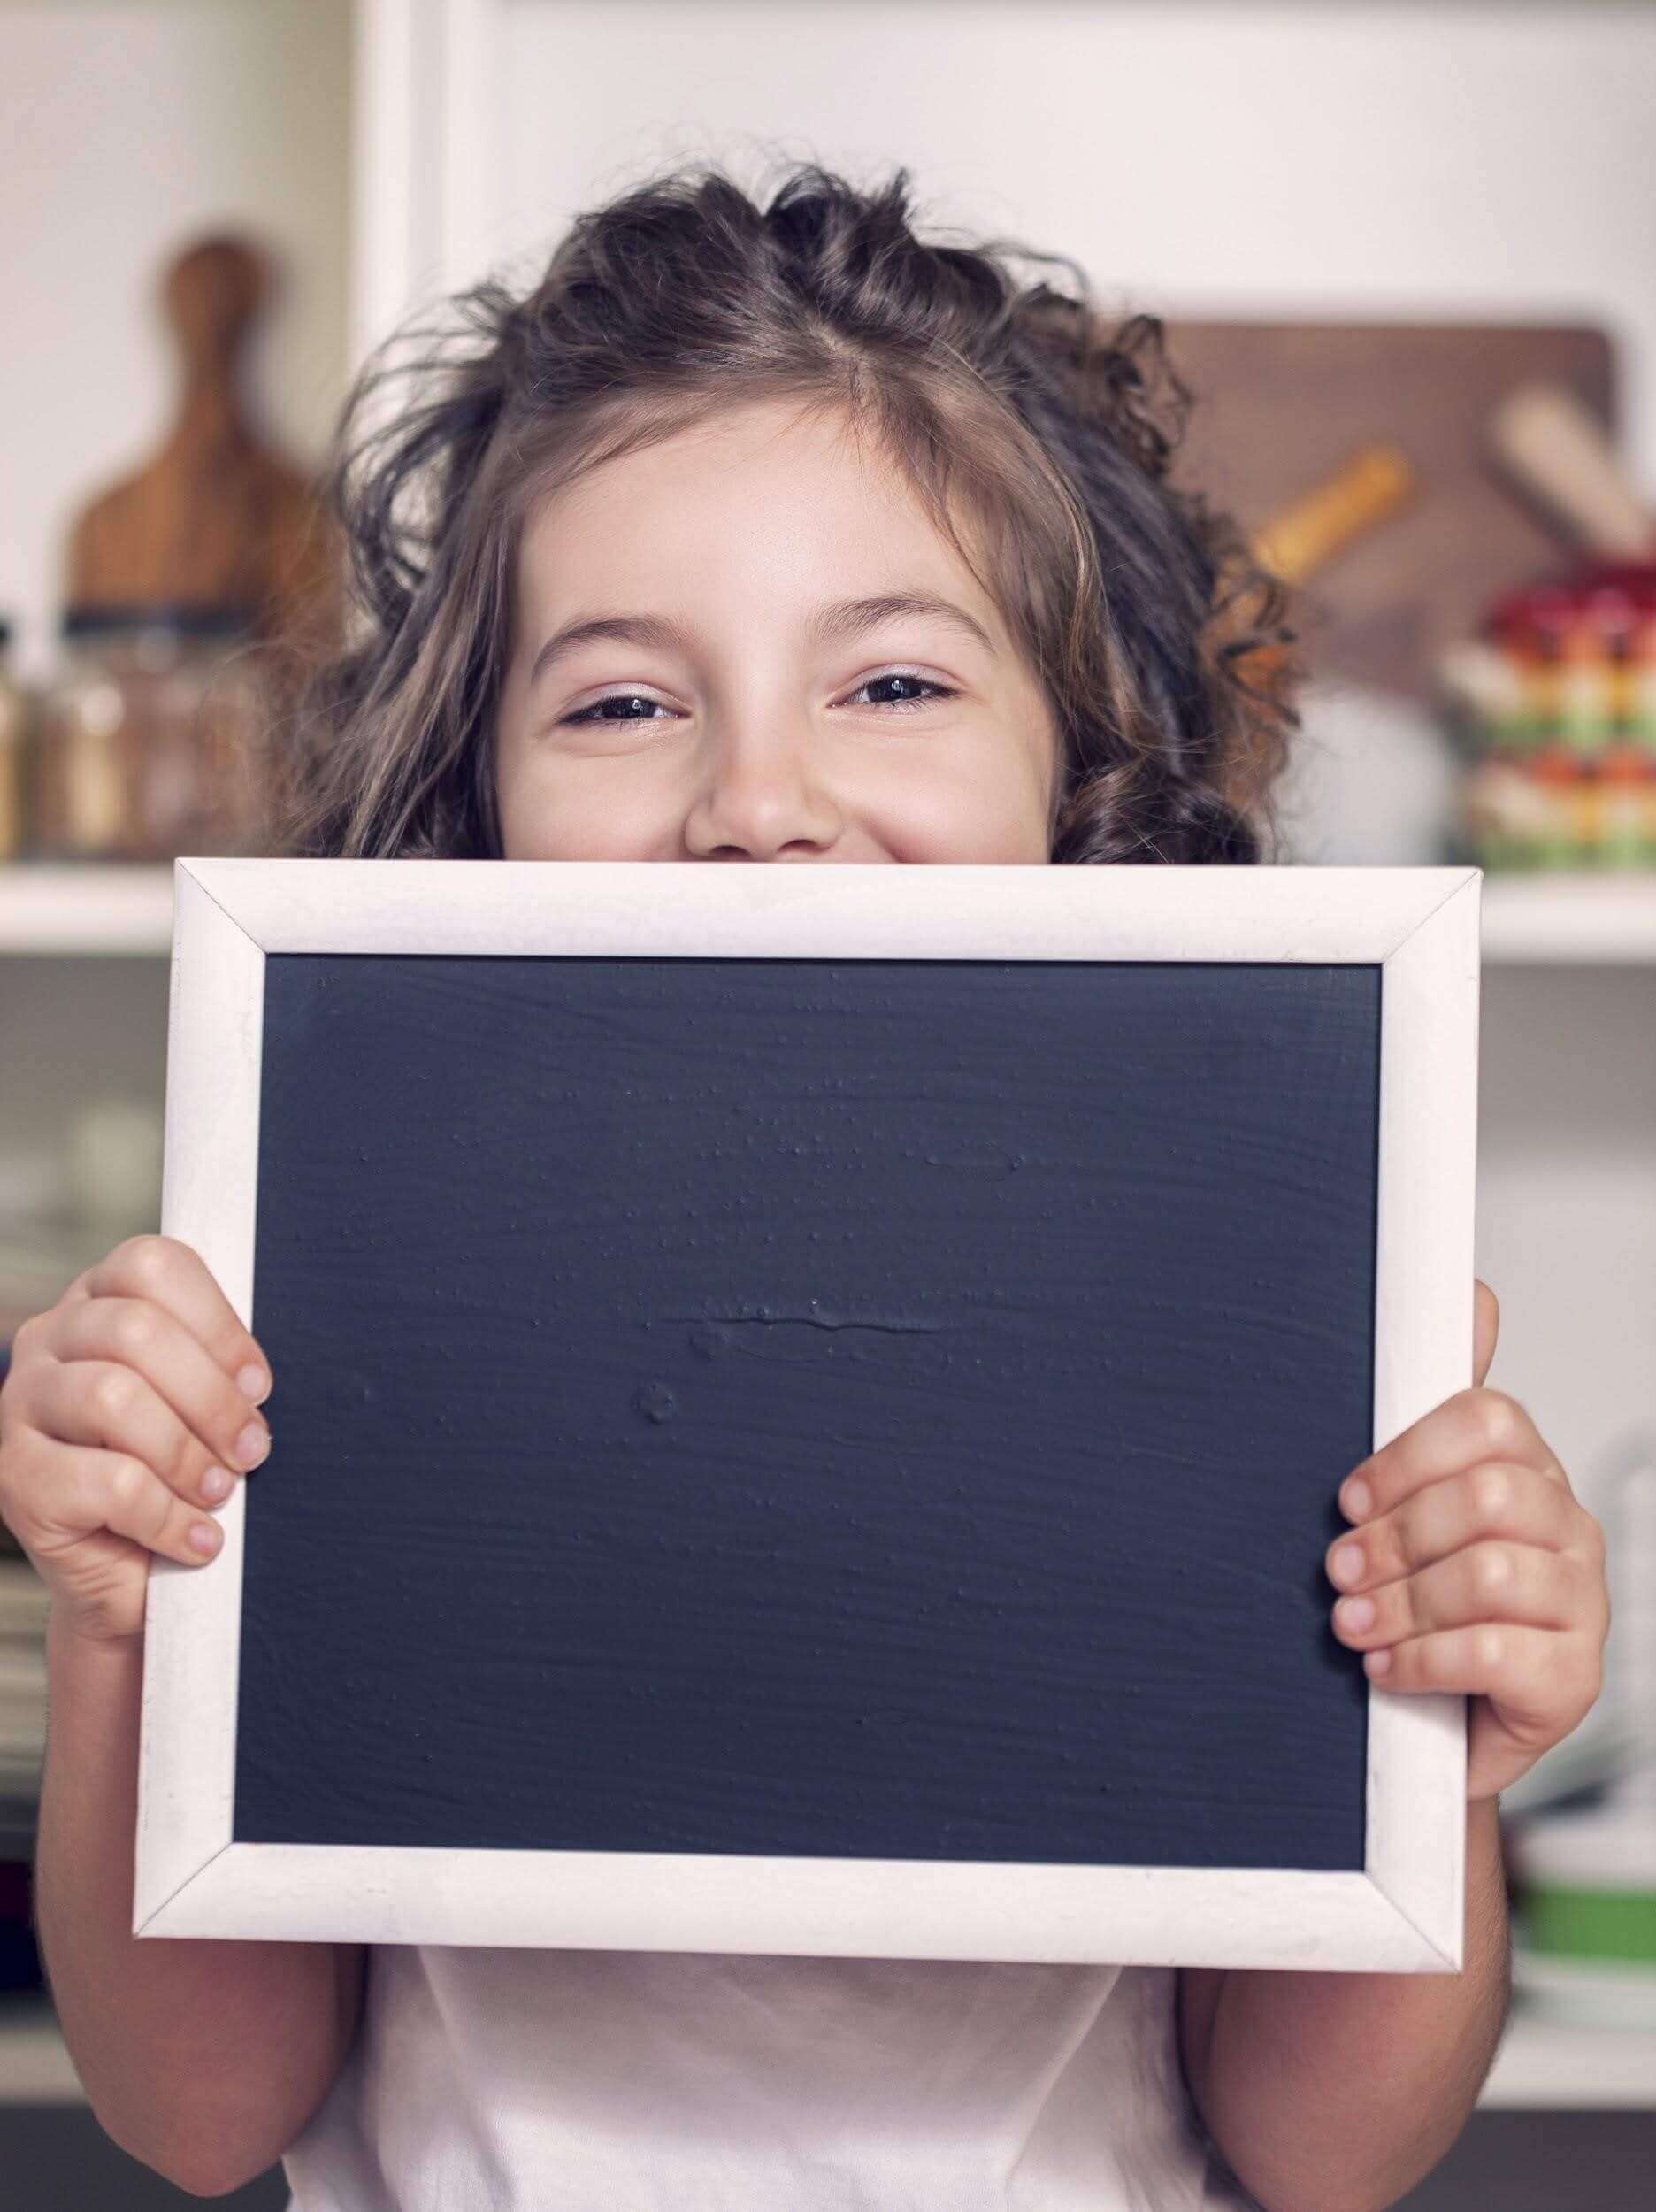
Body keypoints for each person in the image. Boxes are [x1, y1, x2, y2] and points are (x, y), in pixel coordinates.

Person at [1, 160, 1610, 2211]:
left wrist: (1437, 1745)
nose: (757, 805)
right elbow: (197, 2109)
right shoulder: (327, 1308)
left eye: (897, 681)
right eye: (621, 699)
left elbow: (1324, 2148)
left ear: (1085, 768)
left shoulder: (1231, 1312)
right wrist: (123, 1617)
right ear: (472, 799)